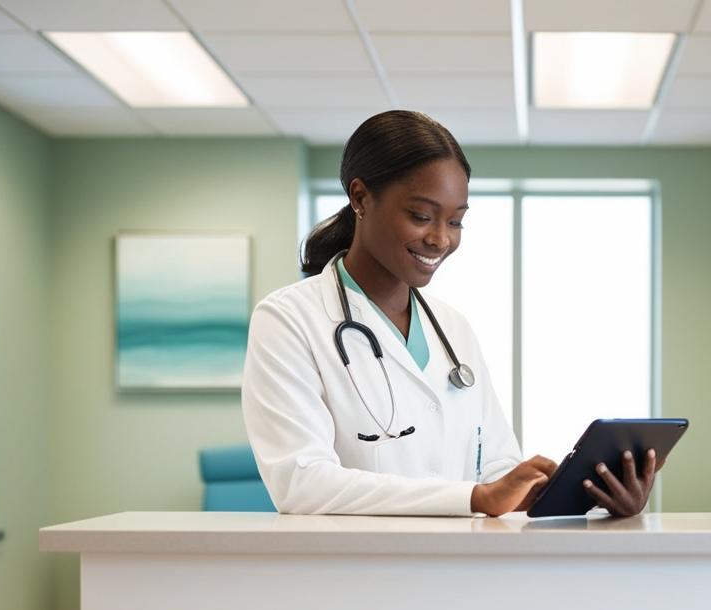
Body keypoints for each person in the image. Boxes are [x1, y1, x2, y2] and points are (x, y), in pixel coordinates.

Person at [241, 111, 658, 517]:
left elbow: (497, 471)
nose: (440, 239)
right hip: (354, 576)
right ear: (360, 197)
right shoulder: (288, 319)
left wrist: (590, 494)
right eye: (421, 216)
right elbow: (301, 483)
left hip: (459, 575)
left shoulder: (452, 328)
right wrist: (474, 499)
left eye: (456, 221)